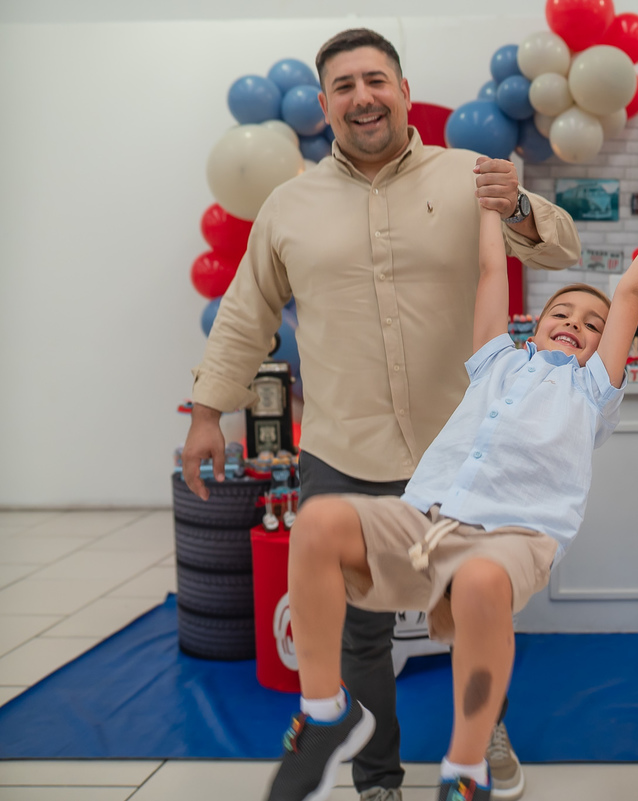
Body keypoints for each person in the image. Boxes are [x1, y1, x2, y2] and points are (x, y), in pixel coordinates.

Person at [181, 28, 582, 801]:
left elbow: (558, 249)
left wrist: (522, 206)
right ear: (325, 103)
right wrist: (206, 412)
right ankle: (376, 776)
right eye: (344, 86)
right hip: (344, 447)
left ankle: (484, 729)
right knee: (356, 630)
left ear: (402, 88)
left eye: (375, 80)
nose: (362, 97)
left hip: (463, 444)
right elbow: (244, 314)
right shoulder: (288, 205)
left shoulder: (470, 174)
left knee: (473, 602)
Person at [262, 182, 638, 801]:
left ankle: (466, 769)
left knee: (485, 581)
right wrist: (492, 209)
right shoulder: (498, 363)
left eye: (591, 325)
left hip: (515, 534)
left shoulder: (592, 389)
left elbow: (630, 291)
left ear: (605, 346)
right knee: (319, 522)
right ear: (534, 328)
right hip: (427, 517)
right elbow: (493, 271)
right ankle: (327, 712)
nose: (575, 324)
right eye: (560, 316)